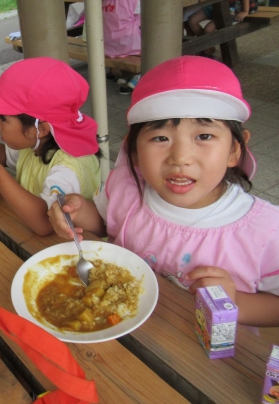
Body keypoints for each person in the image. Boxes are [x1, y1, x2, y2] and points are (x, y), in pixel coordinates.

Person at [48, 56, 279, 327]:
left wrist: (235, 302)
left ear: (234, 150)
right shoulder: (125, 188)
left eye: (204, 136)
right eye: (160, 138)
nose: (180, 157)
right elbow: (100, 225)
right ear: (134, 151)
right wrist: (76, 209)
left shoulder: (267, 232)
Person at [0, 57, 101, 236]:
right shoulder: (35, 143)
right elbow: (7, 157)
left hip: (69, 245)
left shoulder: (67, 170)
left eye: (3, 119)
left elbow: (44, 224)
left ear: (40, 129)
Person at [100, 0, 142, 94]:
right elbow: (151, 11)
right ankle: (137, 76)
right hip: (130, 48)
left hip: (108, 48)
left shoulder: (100, 0)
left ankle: (120, 75)